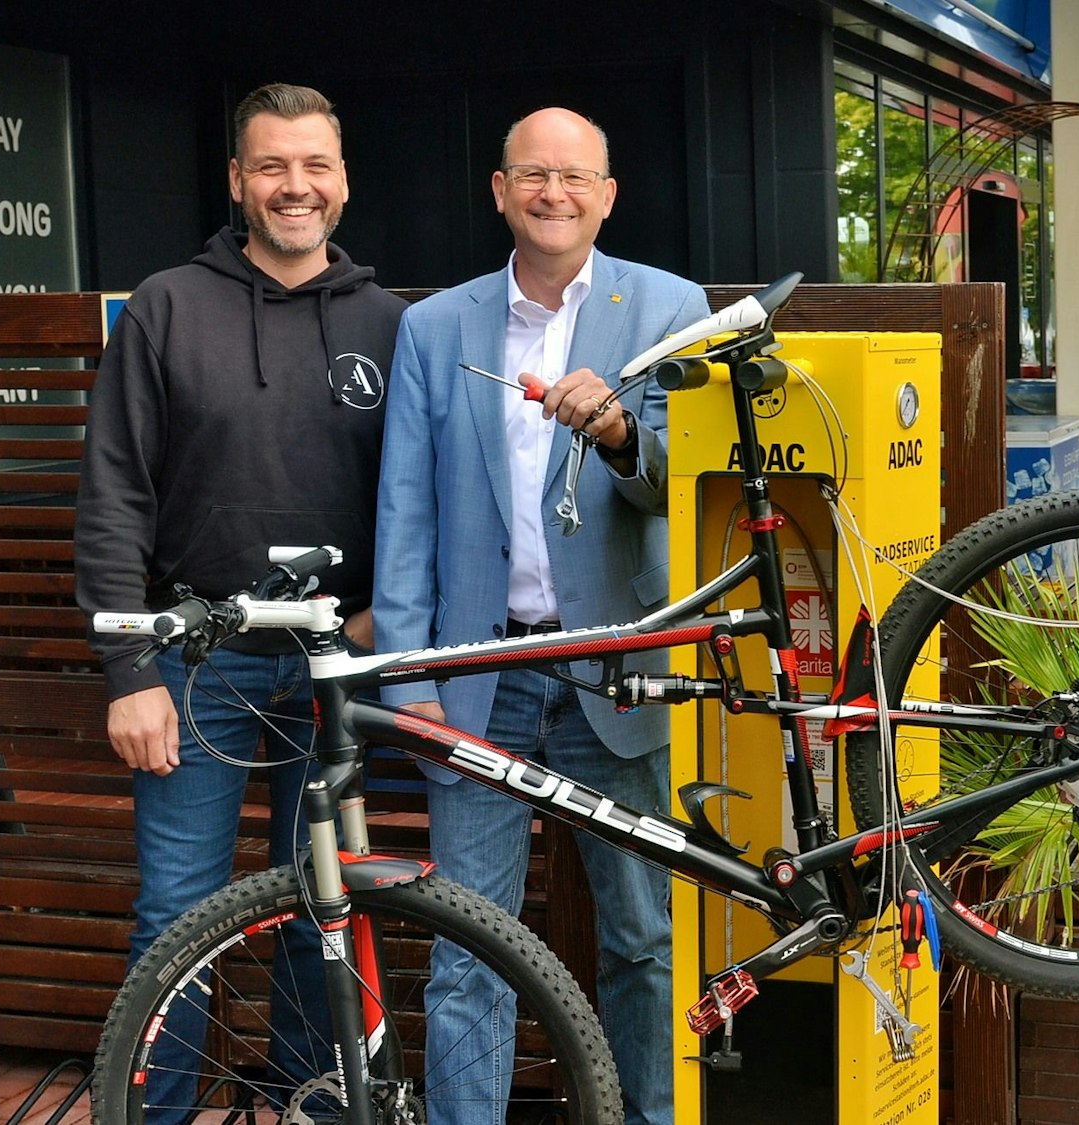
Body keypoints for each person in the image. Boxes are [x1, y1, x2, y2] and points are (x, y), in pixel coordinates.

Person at [73, 83, 404, 1117]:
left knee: (324, 909)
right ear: (236, 181)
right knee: (178, 914)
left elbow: (425, 500)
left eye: (313, 165)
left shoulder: (393, 323)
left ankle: (312, 1105)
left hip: (333, 663)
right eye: (271, 166)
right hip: (194, 661)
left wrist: (383, 618)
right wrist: (128, 672)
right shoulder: (167, 306)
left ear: (343, 180)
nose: (294, 186)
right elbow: (113, 491)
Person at [373, 106, 707, 1125]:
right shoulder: (435, 327)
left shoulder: (669, 307)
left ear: (607, 197)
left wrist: (619, 432)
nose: (553, 193)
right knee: (469, 943)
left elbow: (686, 481)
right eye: (532, 175)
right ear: (499, 190)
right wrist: (412, 681)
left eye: (574, 178)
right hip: (481, 675)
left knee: (643, 940)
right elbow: (405, 514)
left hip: (617, 666)